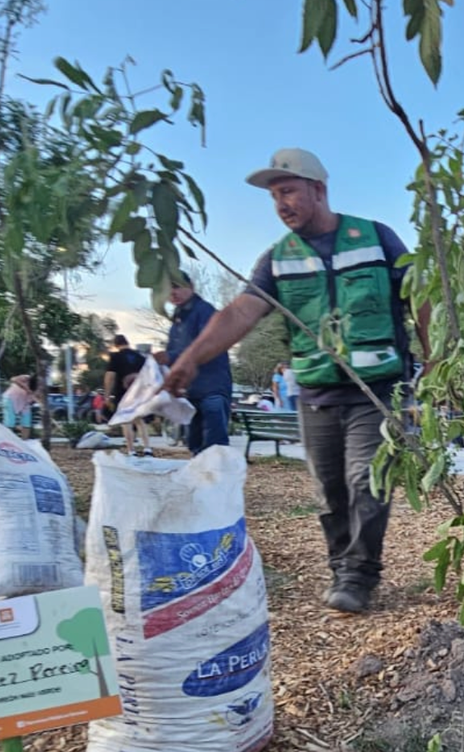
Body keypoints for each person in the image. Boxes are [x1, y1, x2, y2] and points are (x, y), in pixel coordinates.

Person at [163, 147, 430, 615]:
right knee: (329, 493)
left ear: (319, 190)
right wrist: (191, 358)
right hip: (315, 394)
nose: (280, 204)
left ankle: (358, 574)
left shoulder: (375, 238)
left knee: (368, 481)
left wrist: (439, 359)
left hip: (378, 390)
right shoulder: (278, 259)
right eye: (274, 196)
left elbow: (420, 295)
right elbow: (240, 312)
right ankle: (341, 563)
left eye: (287, 191)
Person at [163, 274, 231, 455]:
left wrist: (169, 357)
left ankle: (219, 481)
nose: (172, 292)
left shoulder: (205, 311)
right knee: (195, 444)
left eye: (176, 286)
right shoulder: (177, 320)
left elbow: (207, 345)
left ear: (191, 286)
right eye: (167, 289)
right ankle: (202, 481)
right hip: (190, 392)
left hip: (212, 388)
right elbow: (172, 354)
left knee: (215, 446)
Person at [104, 334, 152, 456]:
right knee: (140, 420)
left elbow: (110, 376)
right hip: (139, 392)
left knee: (126, 421)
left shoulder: (116, 357)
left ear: (115, 345)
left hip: (123, 393)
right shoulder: (140, 357)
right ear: (127, 342)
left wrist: (107, 395)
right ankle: (147, 448)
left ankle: (131, 450)